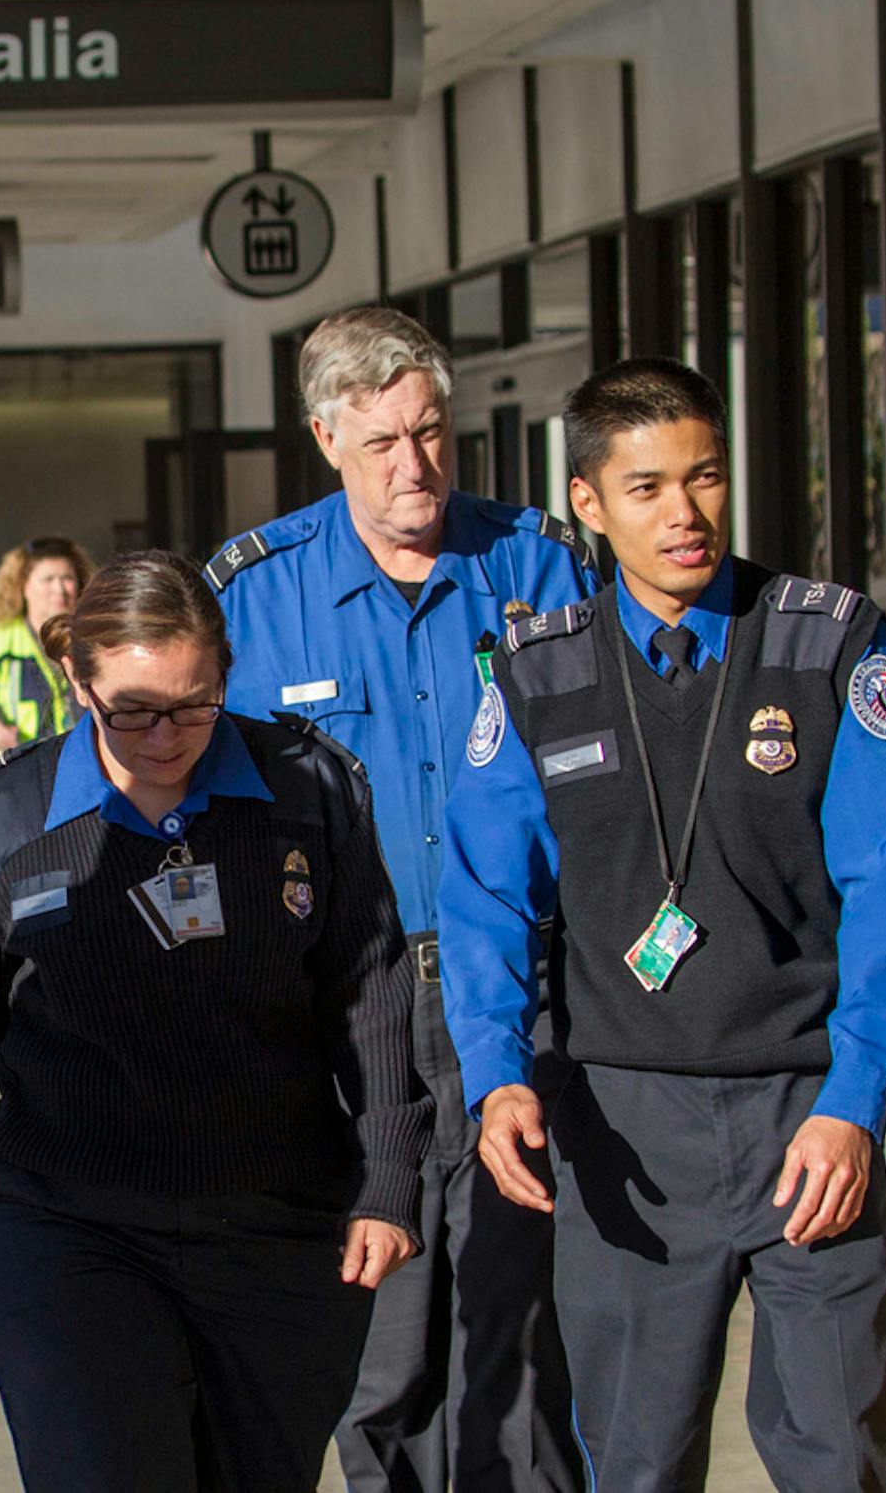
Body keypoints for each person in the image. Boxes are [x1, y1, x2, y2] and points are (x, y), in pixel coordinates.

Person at [438, 358, 886, 1492]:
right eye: (648, 487)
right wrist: (496, 1074)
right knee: (638, 1460)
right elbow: (487, 896)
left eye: (704, 478)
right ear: (591, 506)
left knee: (837, 1453)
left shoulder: (827, 645)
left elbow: (885, 893)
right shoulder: (534, 672)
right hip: (624, 1127)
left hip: (807, 1116)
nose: (686, 513)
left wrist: (853, 1104)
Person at [0, 549, 432, 1493]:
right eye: (133, 708)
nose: (167, 734)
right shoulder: (4, 821)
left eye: (195, 702)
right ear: (78, 682)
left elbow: (370, 996)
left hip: (277, 1236)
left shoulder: (312, 791)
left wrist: (389, 1179)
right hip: (71, 1230)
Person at [208, 306, 588, 1492]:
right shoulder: (253, 598)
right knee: (382, 1345)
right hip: (348, 1015)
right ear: (327, 437)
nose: (414, 467)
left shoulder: (535, 566)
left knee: (526, 1338)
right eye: (382, 444)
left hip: (520, 995)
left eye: (431, 433)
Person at [0, 535, 94, 755]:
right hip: (18, 770)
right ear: (24, 587)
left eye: (67, 578)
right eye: (48, 579)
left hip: (81, 763)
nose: (59, 589)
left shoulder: (95, 638)